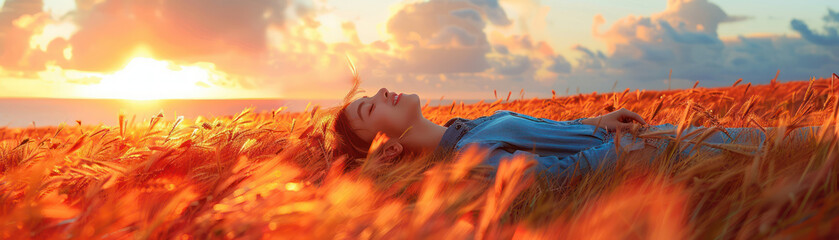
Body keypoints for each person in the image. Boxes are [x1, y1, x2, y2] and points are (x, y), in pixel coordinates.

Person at [332, 87, 824, 179]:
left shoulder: (470, 128)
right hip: (665, 152)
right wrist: (626, 148)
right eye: (370, 107)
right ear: (389, 147)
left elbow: (550, 137)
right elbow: (554, 175)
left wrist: (593, 123)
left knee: (799, 140)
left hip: (668, 139)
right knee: (812, 147)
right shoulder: (466, 156)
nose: (381, 90)